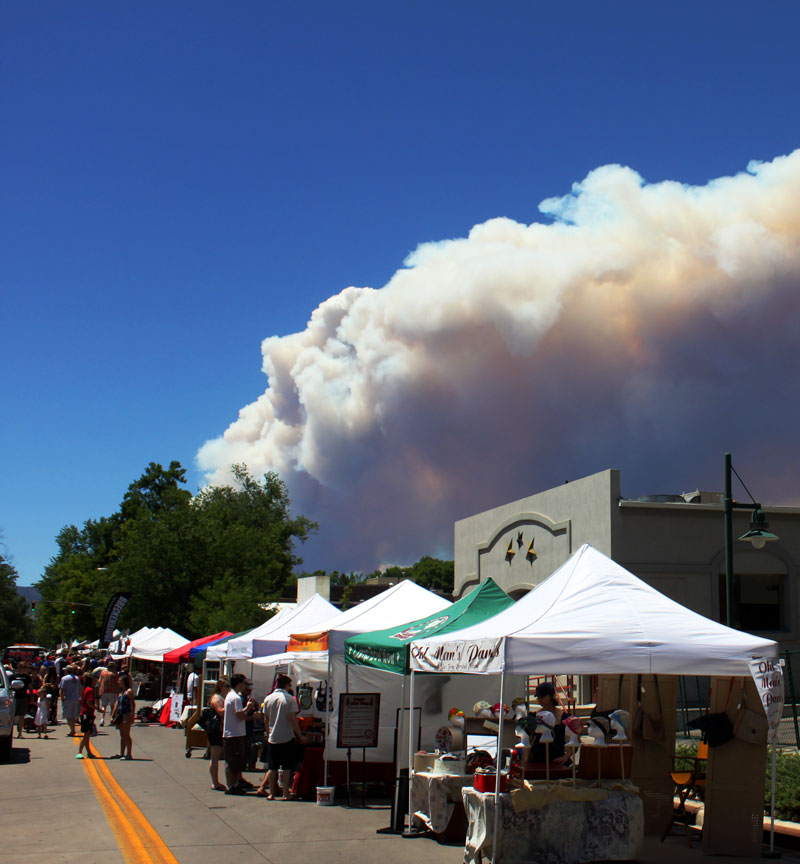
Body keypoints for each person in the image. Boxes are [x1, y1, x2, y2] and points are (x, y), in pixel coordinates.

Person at [257, 675, 307, 800]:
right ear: (287, 685)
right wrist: (299, 735)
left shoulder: (268, 698)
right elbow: (292, 719)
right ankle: (285, 793)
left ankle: (272, 793)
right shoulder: (290, 699)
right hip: (286, 736)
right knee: (286, 766)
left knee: (272, 767)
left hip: (272, 736)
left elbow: (266, 718)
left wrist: (268, 733)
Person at [222, 674, 257, 795]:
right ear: (239, 683)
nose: (245, 686)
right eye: (244, 683)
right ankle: (231, 785)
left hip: (233, 733)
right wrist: (248, 707)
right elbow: (240, 716)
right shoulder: (235, 698)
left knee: (234, 761)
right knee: (233, 761)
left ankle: (234, 784)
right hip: (234, 734)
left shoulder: (230, 696)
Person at [528, 681, 567, 764]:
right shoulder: (534, 716)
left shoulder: (564, 717)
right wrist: (525, 760)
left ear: (551, 696)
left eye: (543, 696)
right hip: (538, 759)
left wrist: (566, 756)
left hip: (557, 759)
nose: (540, 699)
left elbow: (576, 740)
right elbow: (529, 740)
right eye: (538, 696)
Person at [206, 677, 230, 791]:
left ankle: (216, 781)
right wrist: (229, 707)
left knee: (216, 756)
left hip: (219, 729)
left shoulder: (221, 697)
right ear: (221, 687)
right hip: (215, 730)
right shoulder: (217, 698)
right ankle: (215, 782)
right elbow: (220, 711)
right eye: (227, 686)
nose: (228, 689)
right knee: (215, 756)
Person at [114, 673, 135, 760]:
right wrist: (113, 714)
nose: (118, 682)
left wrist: (132, 716)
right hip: (120, 715)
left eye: (119, 681)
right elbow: (116, 703)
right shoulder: (120, 692)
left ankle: (129, 754)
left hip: (126, 715)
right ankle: (121, 753)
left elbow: (133, 704)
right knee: (122, 735)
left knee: (126, 735)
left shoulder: (129, 691)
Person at [76, 674, 96, 758]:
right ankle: (80, 751)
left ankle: (89, 752)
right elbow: (89, 702)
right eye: (94, 681)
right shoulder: (90, 690)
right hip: (87, 714)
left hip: (85, 713)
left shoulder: (86, 689)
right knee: (87, 734)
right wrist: (97, 708)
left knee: (87, 734)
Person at [59, 665, 82, 737]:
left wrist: (62, 698)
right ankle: (72, 729)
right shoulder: (77, 678)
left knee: (69, 716)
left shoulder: (64, 678)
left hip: (68, 698)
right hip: (76, 698)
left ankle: (72, 730)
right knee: (73, 715)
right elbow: (80, 688)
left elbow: (62, 689)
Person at [97, 661, 120, 726]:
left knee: (103, 706)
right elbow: (117, 683)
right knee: (112, 706)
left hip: (104, 691)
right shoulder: (115, 674)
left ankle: (102, 720)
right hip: (112, 691)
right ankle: (111, 718)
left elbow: (99, 681)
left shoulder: (103, 672)